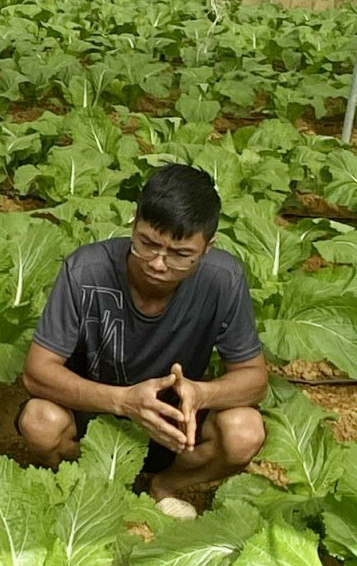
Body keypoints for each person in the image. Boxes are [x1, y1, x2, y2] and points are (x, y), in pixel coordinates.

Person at [16, 163, 267, 518]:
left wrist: (202, 393)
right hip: (92, 423)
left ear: (207, 248)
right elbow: (36, 373)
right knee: (39, 422)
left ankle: (166, 485)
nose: (159, 263)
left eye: (180, 255)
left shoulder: (223, 279)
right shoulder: (85, 271)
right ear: (133, 223)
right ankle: (87, 485)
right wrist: (123, 401)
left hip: (176, 432)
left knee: (245, 432)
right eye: (147, 243)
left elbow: (254, 378)